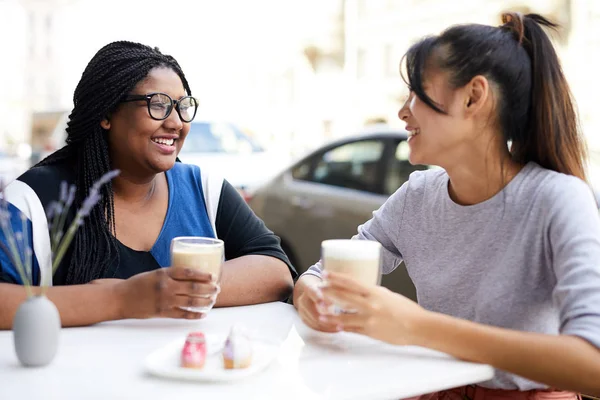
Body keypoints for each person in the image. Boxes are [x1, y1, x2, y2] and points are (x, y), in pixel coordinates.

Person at [294, 12, 600, 398]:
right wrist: (309, 297)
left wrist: (417, 327)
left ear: (474, 97)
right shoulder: (417, 196)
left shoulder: (557, 198)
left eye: (417, 93)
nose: (403, 112)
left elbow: (593, 364)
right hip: (432, 388)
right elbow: (319, 275)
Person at [0, 41, 296, 329]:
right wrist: (123, 299)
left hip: (186, 374)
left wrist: (175, 291)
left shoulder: (203, 188)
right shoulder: (33, 200)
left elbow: (276, 270)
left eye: (183, 106)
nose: (176, 122)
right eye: (158, 105)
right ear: (106, 113)